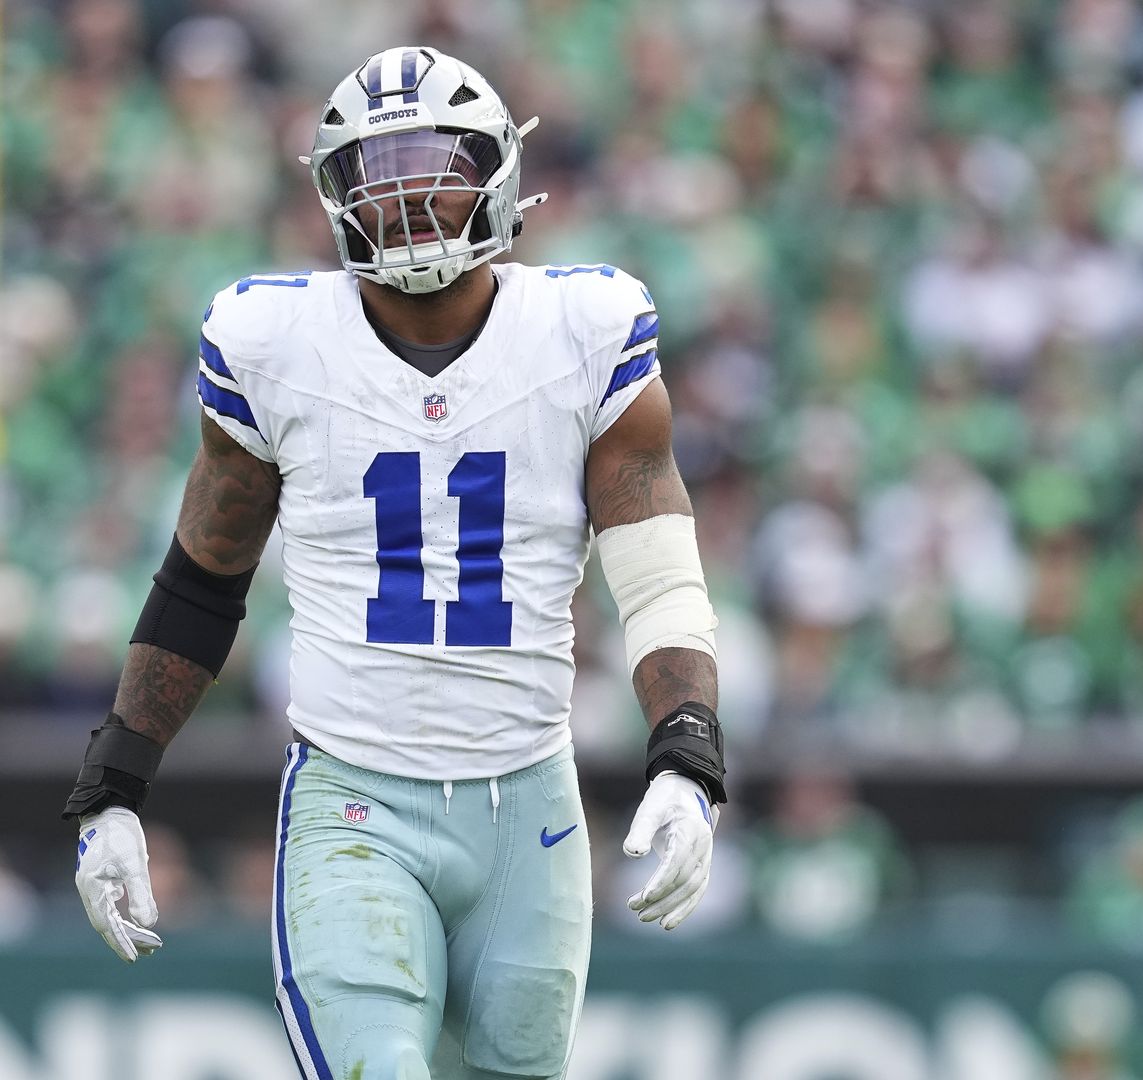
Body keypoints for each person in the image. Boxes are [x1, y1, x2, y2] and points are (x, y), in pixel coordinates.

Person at [60, 46, 726, 1080]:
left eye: (436, 162)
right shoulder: (271, 339)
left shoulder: (586, 328)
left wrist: (688, 751)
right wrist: (114, 783)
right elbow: (204, 575)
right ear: (335, 194)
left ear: (498, 170)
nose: (411, 195)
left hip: (530, 807)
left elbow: (654, 570)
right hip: (352, 797)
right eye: (380, 169)